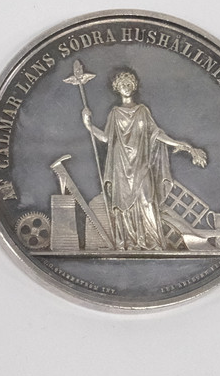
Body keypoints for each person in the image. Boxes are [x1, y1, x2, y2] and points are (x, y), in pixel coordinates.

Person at [82, 69, 208, 250]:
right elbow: (106, 138)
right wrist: (89, 125)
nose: (126, 87)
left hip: (141, 163)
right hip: (121, 165)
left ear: (134, 86)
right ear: (117, 88)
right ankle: (129, 243)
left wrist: (181, 144)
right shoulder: (115, 113)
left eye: (129, 84)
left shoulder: (142, 111)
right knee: (123, 207)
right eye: (122, 84)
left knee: (147, 200)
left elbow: (156, 134)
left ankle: (153, 242)